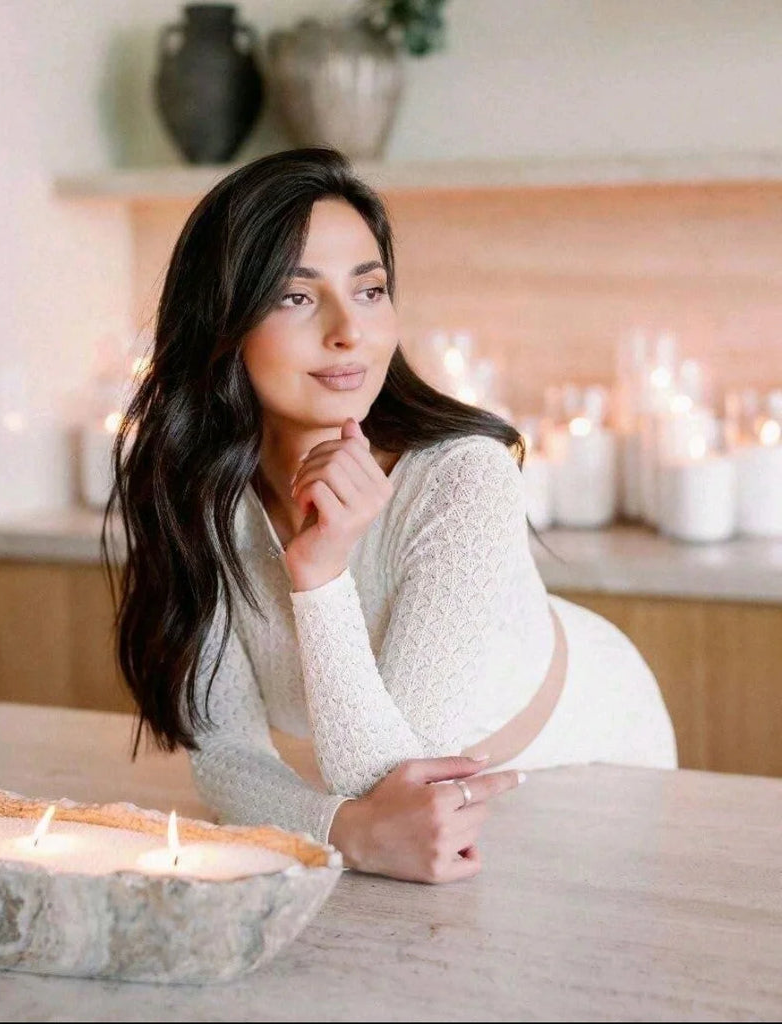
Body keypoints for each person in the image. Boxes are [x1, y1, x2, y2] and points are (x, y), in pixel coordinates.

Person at [102, 148, 677, 885]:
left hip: (590, 761)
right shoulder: (205, 495)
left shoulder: (463, 475)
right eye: (296, 297)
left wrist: (320, 572)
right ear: (222, 323)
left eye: (369, 290)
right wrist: (347, 831)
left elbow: (389, 775)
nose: (350, 330)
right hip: (421, 812)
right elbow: (226, 760)